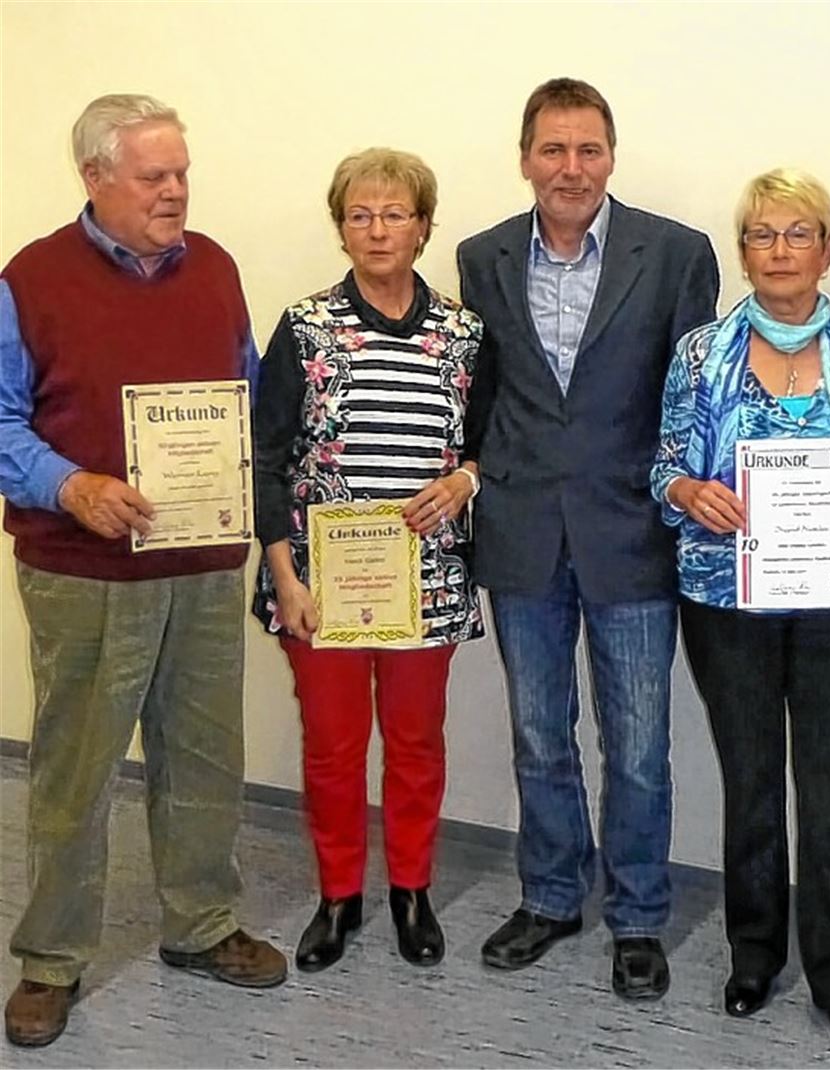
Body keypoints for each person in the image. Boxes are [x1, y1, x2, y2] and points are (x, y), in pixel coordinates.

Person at [0, 94, 286, 1048]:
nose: (176, 192)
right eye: (154, 176)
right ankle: (51, 960)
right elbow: (0, 423)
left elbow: (241, 394)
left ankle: (200, 926)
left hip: (202, 564)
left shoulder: (216, 268)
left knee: (205, 758)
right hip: (84, 570)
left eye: (182, 172)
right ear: (94, 177)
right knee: (76, 775)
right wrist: (70, 483)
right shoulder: (29, 279)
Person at [456, 77, 718, 1000]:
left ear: (612, 155)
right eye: (553, 150)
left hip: (633, 530)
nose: (572, 169)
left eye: (589, 150)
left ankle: (639, 914)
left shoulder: (677, 253)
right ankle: (551, 896)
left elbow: (695, 405)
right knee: (538, 734)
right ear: (525, 156)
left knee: (639, 742)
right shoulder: (480, 256)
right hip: (523, 530)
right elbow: (480, 398)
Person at [650, 168, 830, 1055]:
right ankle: (752, 954)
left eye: (800, 233)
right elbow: (662, 467)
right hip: (727, 599)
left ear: (827, 248)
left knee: (829, 791)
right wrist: (689, 490)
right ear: (743, 249)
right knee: (752, 781)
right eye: (763, 234)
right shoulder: (699, 354)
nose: (781, 250)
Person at [252, 148, 483, 974]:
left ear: (424, 225)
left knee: (418, 743)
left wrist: (464, 478)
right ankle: (339, 895)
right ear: (341, 226)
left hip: (426, 585)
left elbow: (491, 445)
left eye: (395, 213)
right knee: (333, 746)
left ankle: (412, 891)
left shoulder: (463, 334)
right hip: (319, 586)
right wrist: (286, 576)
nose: (378, 228)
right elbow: (268, 454)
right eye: (360, 214)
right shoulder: (307, 325)